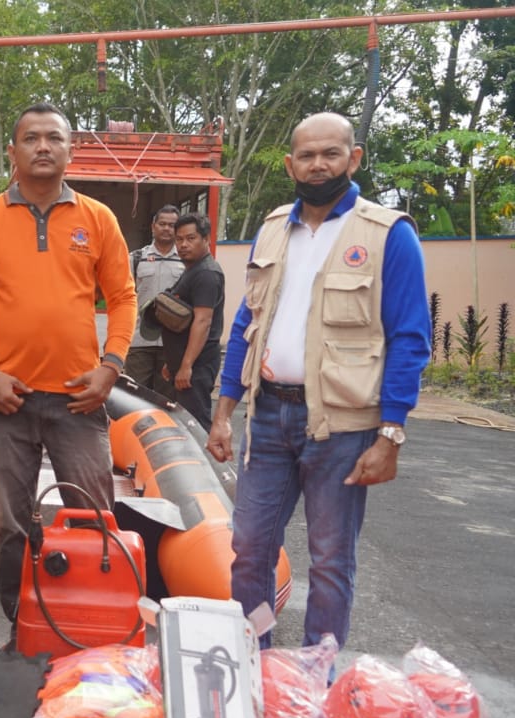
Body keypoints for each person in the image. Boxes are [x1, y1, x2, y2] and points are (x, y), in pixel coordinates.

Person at [206, 112, 431, 650]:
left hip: (342, 428)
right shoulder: (273, 229)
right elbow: (246, 323)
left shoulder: (387, 235)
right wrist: (222, 410)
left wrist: (391, 434)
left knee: (331, 559)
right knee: (250, 547)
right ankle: (253, 664)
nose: (318, 164)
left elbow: (410, 338)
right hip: (268, 418)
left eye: (331, 153)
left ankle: (315, 677)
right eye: (306, 155)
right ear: (290, 164)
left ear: (354, 158)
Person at [0, 103, 137, 633]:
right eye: (31, 138)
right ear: (14, 151)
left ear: (71, 150)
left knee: (95, 518)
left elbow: (122, 296)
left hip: (80, 398)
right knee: (10, 525)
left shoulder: (98, 219)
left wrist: (111, 367)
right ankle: (22, 627)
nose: (43, 147)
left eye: (54, 138)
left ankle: (92, 626)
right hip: (7, 400)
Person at [157, 211, 224, 430]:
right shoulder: (192, 271)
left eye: (191, 238)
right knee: (183, 422)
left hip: (198, 365)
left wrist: (186, 366)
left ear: (206, 240)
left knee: (195, 424)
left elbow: (203, 322)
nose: (183, 244)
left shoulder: (206, 274)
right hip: (185, 362)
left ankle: (207, 465)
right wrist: (173, 361)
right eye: (179, 239)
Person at [126, 205, 182, 397]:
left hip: (172, 343)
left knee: (166, 400)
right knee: (134, 397)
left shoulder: (186, 261)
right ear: (153, 227)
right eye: (162, 224)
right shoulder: (135, 259)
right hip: (138, 342)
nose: (166, 228)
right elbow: (121, 299)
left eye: (172, 225)